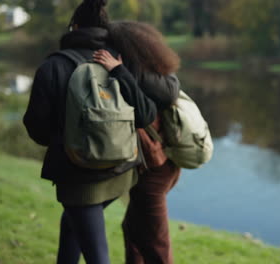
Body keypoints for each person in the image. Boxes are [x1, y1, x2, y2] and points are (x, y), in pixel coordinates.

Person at [23, 1, 157, 264]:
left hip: (78, 179)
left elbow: (36, 126)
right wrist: (119, 72)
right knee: (72, 225)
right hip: (122, 170)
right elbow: (146, 114)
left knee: (98, 256)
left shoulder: (54, 66)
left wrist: (65, 142)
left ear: (74, 27)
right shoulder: (118, 58)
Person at [94, 21, 182, 264]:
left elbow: (149, 105)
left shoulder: (139, 76)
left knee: (156, 247)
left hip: (154, 170)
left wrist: (120, 70)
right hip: (162, 166)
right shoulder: (157, 72)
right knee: (133, 230)